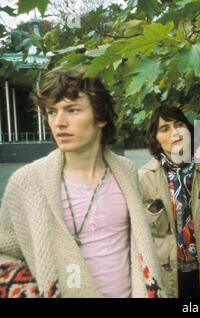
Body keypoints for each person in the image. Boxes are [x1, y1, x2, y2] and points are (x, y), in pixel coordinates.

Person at [0, 67, 163, 298]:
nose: (59, 123)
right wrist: (30, 292)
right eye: (51, 112)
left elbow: (138, 247)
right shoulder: (26, 183)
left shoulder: (126, 172)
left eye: (72, 110)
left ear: (101, 117)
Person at [138, 106, 200, 298]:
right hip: (165, 282)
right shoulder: (142, 180)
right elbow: (138, 241)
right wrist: (151, 287)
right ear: (155, 139)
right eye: (165, 128)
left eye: (179, 125)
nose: (175, 132)